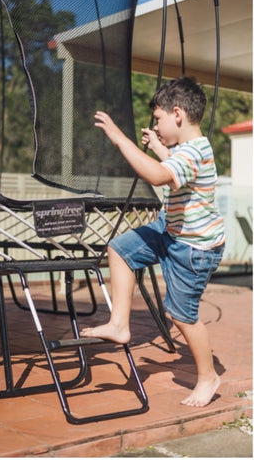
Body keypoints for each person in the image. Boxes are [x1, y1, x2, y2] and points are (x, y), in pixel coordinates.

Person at [81, 76, 225, 408]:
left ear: (178, 114)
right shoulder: (186, 150)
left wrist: (119, 138)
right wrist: (160, 148)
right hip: (171, 230)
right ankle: (119, 324)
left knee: (181, 314)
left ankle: (208, 377)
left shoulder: (195, 150)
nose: (156, 124)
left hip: (194, 247)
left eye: (158, 118)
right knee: (120, 249)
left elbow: (160, 175)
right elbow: (172, 167)